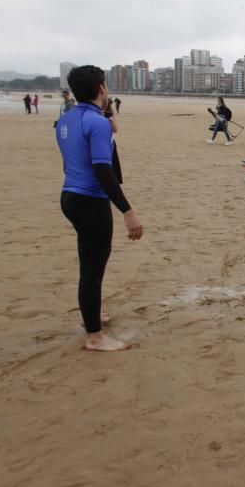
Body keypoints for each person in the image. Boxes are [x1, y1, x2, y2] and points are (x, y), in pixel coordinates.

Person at [57, 65, 143, 352]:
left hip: (70, 197)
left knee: (89, 263)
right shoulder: (98, 123)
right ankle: (95, 337)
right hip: (91, 200)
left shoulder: (66, 120)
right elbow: (102, 170)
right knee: (93, 269)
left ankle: (93, 316)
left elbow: (71, 162)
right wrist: (127, 211)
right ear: (102, 88)